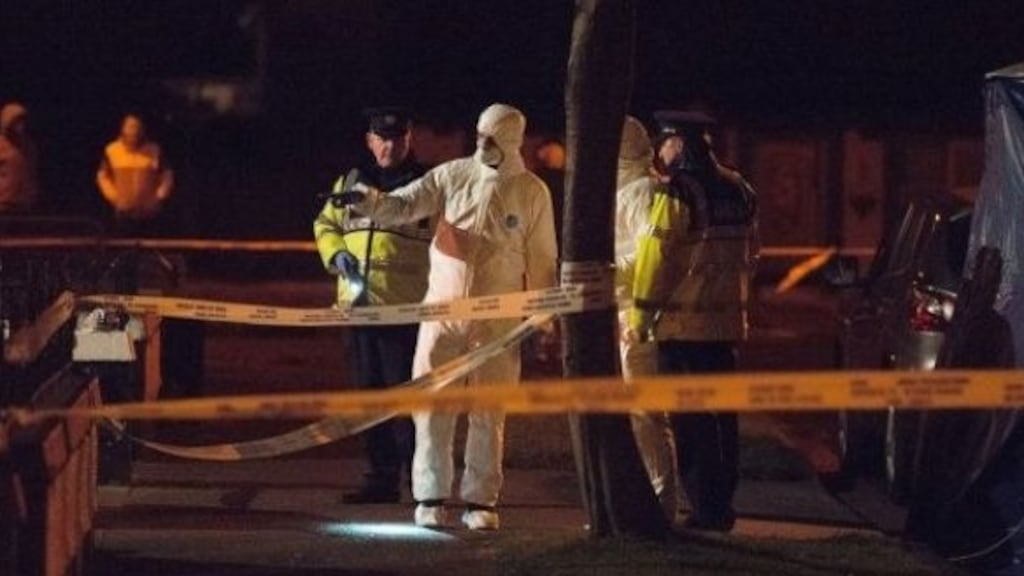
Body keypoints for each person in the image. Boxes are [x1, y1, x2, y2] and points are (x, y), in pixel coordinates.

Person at [336, 103, 558, 531]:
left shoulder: (531, 192)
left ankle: (481, 501)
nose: (483, 144)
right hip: (442, 313)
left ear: (512, 140)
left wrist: (542, 319)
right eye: (480, 134)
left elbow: (543, 260)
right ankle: (430, 495)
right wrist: (371, 203)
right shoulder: (452, 175)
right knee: (431, 407)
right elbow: (405, 205)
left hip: (497, 325)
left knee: (488, 412)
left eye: (493, 138)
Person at [628, 109, 758, 532]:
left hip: (683, 329)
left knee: (692, 423)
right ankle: (722, 503)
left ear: (678, 144)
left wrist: (641, 315)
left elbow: (657, 257)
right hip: (726, 327)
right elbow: (752, 254)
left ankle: (705, 509)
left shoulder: (680, 192)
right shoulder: (739, 188)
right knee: (723, 421)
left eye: (663, 144)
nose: (660, 154)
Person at [313, 106, 431, 503]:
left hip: (405, 311)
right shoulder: (351, 182)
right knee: (369, 397)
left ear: (409, 139)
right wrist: (335, 255)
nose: (390, 145)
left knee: (407, 401)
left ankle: (420, 482)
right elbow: (325, 225)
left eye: (397, 138)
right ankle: (381, 479)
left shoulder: (425, 185)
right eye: (382, 138)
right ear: (370, 140)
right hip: (359, 309)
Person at [614, 115, 681, 522]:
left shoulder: (641, 190)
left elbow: (648, 256)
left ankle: (660, 503)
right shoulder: (632, 188)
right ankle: (647, 502)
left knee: (645, 413)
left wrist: (606, 270)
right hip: (626, 309)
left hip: (637, 315)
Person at [97, 113, 175, 236]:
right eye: (130, 126)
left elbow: (167, 175)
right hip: (122, 213)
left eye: (137, 127)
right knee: (122, 250)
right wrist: (114, 197)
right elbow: (102, 177)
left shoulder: (154, 150)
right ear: (122, 129)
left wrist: (159, 197)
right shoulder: (111, 150)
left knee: (150, 251)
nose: (134, 131)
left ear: (143, 129)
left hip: (150, 213)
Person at [0, 102, 39, 212]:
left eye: (22, 121)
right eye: (16, 121)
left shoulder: (29, 145)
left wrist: (32, 192)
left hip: (25, 201)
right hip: (4, 202)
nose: (20, 125)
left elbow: (32, 171)